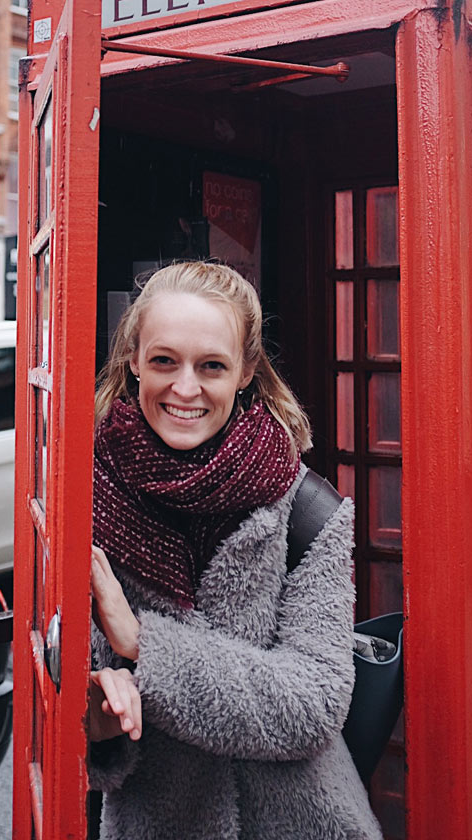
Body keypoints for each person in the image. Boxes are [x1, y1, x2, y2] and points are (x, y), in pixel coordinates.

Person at [89, 260, 382, 840]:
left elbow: (312, 706)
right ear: (134, 361)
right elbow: (76, 690)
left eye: (212, 366)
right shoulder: (94, 500)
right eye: (164, 361)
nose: (186, 388)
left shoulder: (308, 511)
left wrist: (146, 647)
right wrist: (98, 720)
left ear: (246, 371)